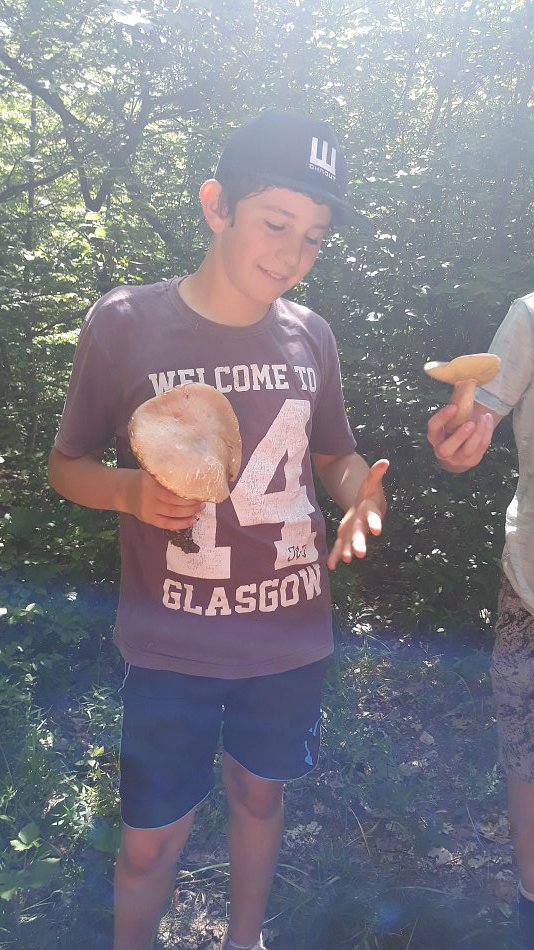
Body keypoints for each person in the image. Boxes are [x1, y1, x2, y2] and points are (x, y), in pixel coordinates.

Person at [48, 110, 388, 950]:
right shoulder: (125, 322)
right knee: (149, 838)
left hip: (287, 636)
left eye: (313, 237)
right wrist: (129, 492)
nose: (292, 252)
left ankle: (245, 939)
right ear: (216, 205)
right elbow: (66, 465)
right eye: (276, 222)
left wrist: (361, 495)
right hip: (172, 644)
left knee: (260, 796)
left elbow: (334, 455)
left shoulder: (311, 335)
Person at [426, 292, 534, 949]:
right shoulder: (531, 317)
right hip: (532, 586)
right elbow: (476, 423)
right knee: (528, 758)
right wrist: (457, 443)